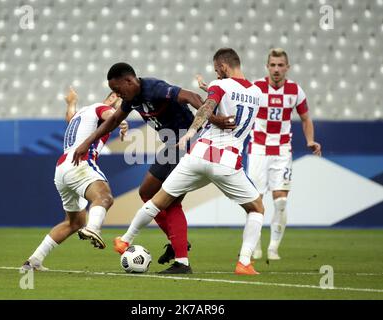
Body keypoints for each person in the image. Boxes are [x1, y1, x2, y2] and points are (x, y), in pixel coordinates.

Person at [72, 63, 236, 274]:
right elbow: (113, 120)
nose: (117, 94)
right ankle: (179, 249)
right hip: (172, 146)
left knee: (161, 196)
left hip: (187, 142)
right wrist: (88, 142)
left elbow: (191, 96)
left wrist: (213, 119)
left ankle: (181, 257)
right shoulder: (132, 99)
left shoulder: (154, 88)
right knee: (158, 196)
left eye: (118, 89)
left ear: (129, 81)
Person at [113, 48, 265, 275]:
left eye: (217, 70)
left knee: (158, 201)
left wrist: (189, 133)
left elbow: (206, 108)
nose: (217, 74)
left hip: (199, 154)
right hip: (227, 161)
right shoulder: (257, 92)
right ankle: (244, 262)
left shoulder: (219, 85)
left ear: (223, 67)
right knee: (256, 209)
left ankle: (125, 240)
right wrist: (210, 90)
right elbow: (234, 102)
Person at [197, 48, 322, 260]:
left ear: (287, 67)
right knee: (255, 201)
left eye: (280, 65)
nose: (276, 69)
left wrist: (310, 140)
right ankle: (254, 246)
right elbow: (231, 93)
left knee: (281, 202)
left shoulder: (295, 91)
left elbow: (306, 118)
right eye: (272, 64)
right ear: (267, 66)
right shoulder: (257, 88)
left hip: (283, 151)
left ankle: (273, 247)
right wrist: (208, 88)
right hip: (257, 150)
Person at [21, 87, 128, 271]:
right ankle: (94, 228)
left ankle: (34, 260)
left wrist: (71, 102)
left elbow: (70, 118)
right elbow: (111, 114)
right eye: (114, 96)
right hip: (80, 162)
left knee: (74, 222)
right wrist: (121, 120)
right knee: (104, 197)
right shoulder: (100, 108)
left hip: (62, 169)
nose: (116, 99)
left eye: (120, 98)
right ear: (109, 99)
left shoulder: (83, 113)